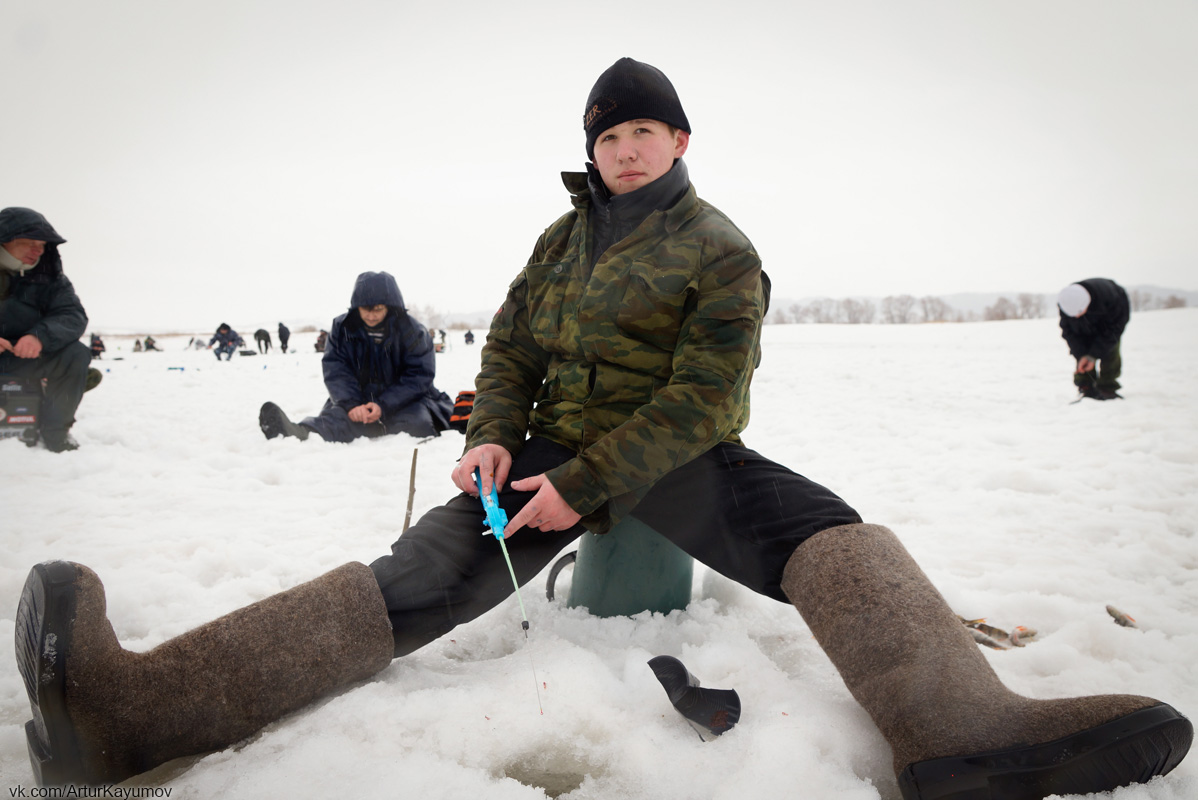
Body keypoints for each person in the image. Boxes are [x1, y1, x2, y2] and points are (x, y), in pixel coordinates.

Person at [15, 59, 1191, 796]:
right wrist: (494, 433)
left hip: (671, 454)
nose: (623, 148)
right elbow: (515, 344)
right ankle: (135, 711)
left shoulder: (719, 246)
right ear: (591, 150)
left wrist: (585, 479)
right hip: (537, 453)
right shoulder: (559, 236)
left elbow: (707, 396)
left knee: (818, 531)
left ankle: (956, 723)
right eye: (607, 135)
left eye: (644, 132)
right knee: (422, 571)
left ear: (680, 142)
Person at [259, 271, 453, 442]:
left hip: (404, 400)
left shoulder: (413, 331)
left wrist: (382, 405)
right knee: (335, 421)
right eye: (365, 309)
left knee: (418, 425)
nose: (371, 316)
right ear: (356, 307)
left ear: (389, 307)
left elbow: (419, 376)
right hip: (356, 398)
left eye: (377, 309)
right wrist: (352, 404)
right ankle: (298, 433)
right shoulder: (342, 328)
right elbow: (336, 369)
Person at [0, 207, 92, 452]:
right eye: (28, 242)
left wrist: (39, 337)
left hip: (22, 359)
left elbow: (72, 315)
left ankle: (55, 434)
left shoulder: (52, 279)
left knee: (76, 354)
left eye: (41, 244)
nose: (38, 250)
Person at [1057, 279, 1129, 401]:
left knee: (1110, 348)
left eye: (1079, 312)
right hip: (1084, 325)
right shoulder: (1067, 301)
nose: (1077, 316)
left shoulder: (1113, 299)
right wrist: (1082, 355)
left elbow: (1113, 332)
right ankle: (1085, 385)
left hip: (1108, 321)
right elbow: (1069, 333)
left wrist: (1094, 355)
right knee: (1082, 350)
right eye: (1073, 315)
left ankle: (1107, 387)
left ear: (1087, 303)